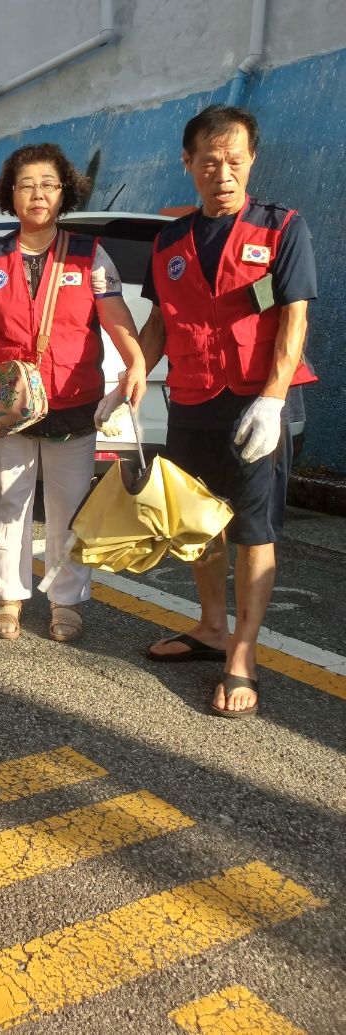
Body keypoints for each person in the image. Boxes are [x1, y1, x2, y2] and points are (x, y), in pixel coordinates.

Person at [138, 105, 317, 718]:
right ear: (188, 164)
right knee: (197, 523)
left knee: (253, 528)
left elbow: (293, 316)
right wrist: (133, 376)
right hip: (191, 399)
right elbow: (162, 320)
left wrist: (272, 400)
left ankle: (243, 651)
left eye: (234, 160)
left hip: (255, 400)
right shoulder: (168, 241)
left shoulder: (282, 228)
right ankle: (212, 627)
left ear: (251, 161)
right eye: (209, 161)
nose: (223, 172)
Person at [0, 144, 147, 644]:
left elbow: (116, 318)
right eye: (26, 184)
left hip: (72, 400)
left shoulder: (89, 255)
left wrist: (137, 360)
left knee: (68, 507)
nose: (38, 194)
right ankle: (7, 596)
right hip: (8, 403)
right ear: (10, 195)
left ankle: (66, 601)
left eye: (48, 185)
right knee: (6, 503)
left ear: (65, 193)